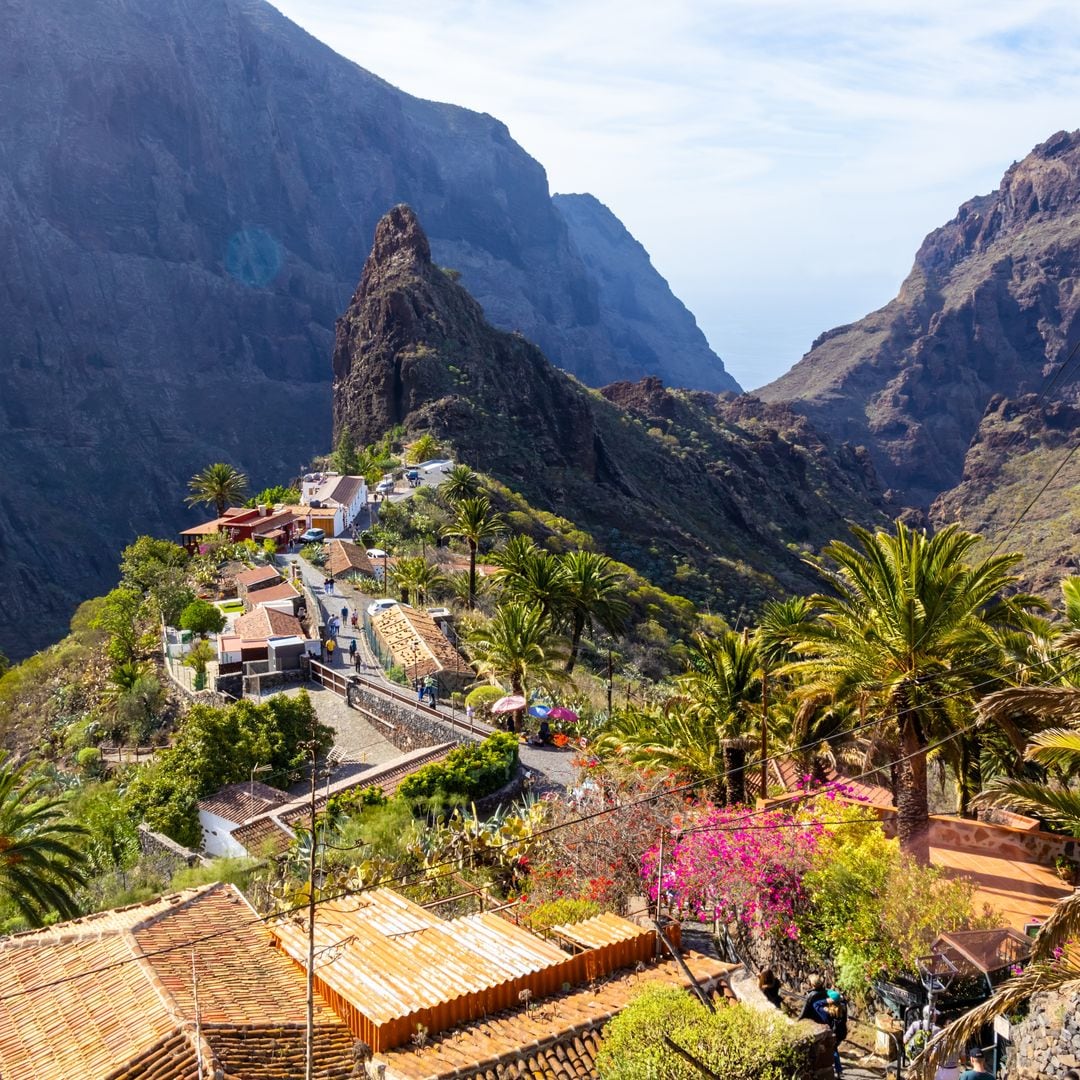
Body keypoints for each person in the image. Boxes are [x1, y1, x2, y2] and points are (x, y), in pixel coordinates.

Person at [812, 989, 847, 1078]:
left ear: (830, 1000)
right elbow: (843, 1001)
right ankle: (839, 1071)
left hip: (833, 1034)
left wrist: (825, 1001)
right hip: (842, 1033)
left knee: (834, 1050)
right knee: (835, 1048)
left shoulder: (827, 1012)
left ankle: (839, 1071)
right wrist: (838, 998)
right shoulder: (843, 1008)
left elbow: (815, 1004)